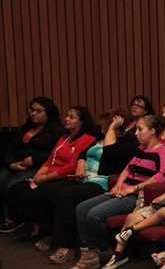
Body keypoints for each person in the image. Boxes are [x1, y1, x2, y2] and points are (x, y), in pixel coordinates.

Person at [67, 114, 165, 269]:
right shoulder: (141, 149)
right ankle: (90, 252)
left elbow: (161, 177)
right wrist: (118, 185)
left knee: (93, 215)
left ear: (152, 131)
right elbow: (126, 169)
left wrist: (133, 188)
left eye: (140, 129)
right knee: (80, 208)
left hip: (136, 196)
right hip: (122, 191)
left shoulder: (164, 149)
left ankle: (103, 250)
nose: (136, 133)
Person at [33, 109, 137, 263]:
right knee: (45, 191)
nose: (100, 129)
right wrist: (80, 166)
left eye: (104, 126)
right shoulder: (100, 139)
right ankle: (48, 235)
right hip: (84, 177)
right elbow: (83, 154)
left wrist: (112, 130)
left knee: (66, 196)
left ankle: (67, 247)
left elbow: (109, 152)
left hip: (103, 182)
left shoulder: (126, 143)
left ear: (112, 127)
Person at [4, 106, 97, 247]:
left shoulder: (86, 138)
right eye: (66, 116)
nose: (66, 119)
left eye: (71, 117)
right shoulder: (64, 137)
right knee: (19, 189)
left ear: (82, 122)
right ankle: (38, 227)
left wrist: (45, 178)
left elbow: (72, 166)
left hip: (67, 177)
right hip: (50, 174)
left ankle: (46, 233)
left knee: (43, 192)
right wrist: (40, 173)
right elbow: (50, 159)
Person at [0, 97, 65, 233]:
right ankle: (4, 217)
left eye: (38, 111)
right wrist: (12, 164)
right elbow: (11, 148)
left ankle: (16, 217)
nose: (33, 113)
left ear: (48, 112)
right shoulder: (26, 127)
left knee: (10, 185)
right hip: (17, 164)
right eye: (32, 110)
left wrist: (34, 159)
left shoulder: (57, 129)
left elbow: (58, 152)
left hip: (40, 166)